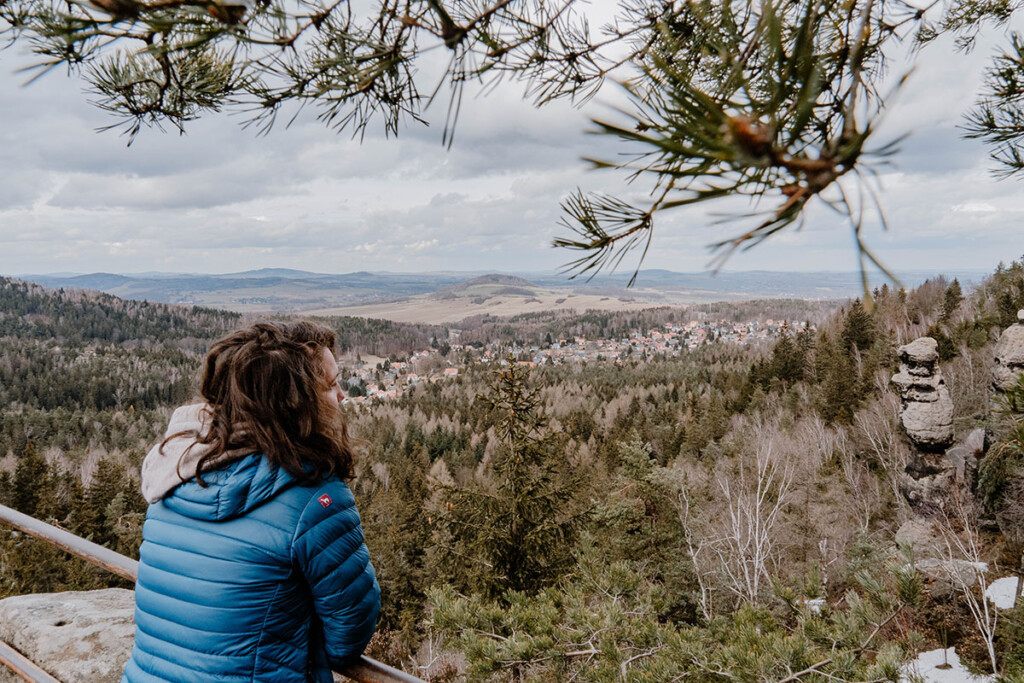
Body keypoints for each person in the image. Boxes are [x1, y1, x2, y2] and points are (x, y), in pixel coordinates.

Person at [122, 320, 380, 682]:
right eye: (330, 385)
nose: (341, 395)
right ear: (293, 402)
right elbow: (349, 630)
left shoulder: (174, 473)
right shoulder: (314, 496)